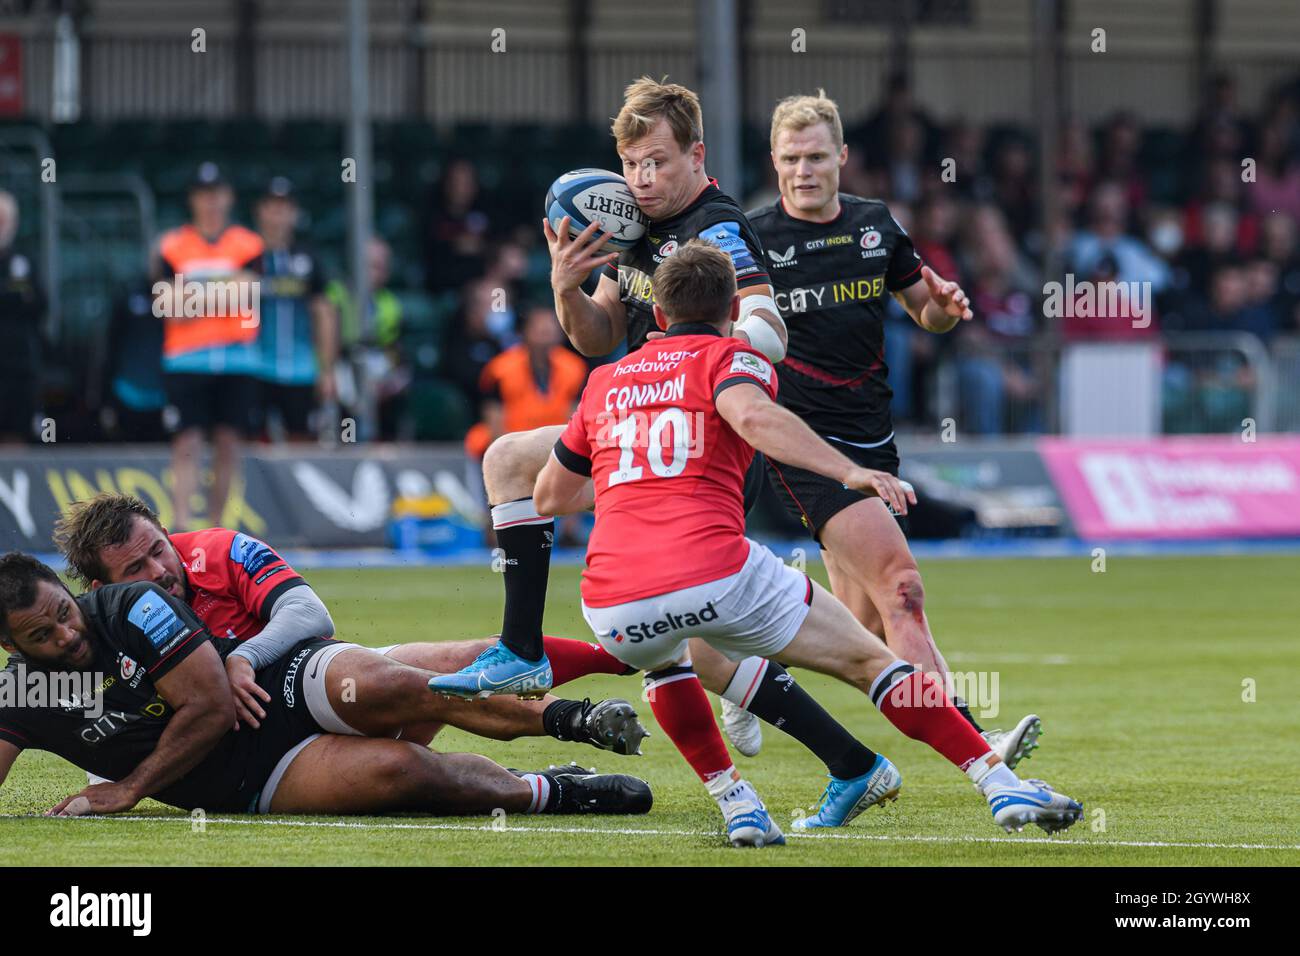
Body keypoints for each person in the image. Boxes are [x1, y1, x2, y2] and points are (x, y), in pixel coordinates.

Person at [533, 240, 1082, 845]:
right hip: (716, 573)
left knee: (665, 668)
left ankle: (739, 805)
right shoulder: (733, 357)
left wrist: (632, 474)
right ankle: (997, 782)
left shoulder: (602, 380)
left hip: (612, 602)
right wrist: (847, 470)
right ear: (730, 313)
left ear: (657, 316)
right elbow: (755, 419)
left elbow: (550, 498)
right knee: (872, 664)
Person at [721, 92, 1045, 784]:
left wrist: (945, 309)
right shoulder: (749, 239)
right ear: (773, 162)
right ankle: (972, 739)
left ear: (842, 157)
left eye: (814, 157)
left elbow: (923, 310)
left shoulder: (874, 226)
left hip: (873, 438)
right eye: (788, 160)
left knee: (864, 623)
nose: (802, 172)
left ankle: (748, 664)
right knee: (902, 588)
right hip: (803, 445)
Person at [429, 75, 788, 697]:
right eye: (630, 163)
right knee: (509, 460)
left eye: (657, 162)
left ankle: (797, 718)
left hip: (697, 444)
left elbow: (770, 330)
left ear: (696, 155)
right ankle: (521, 650)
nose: (641, 178)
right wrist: (565, 286)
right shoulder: (631, 230)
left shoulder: (716, 226)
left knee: (671, 633)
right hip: (641, 429)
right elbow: (596, 339)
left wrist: (701, 358)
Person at [0, 553, 652, 818]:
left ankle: (572, 716)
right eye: (42, 637)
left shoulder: (131, 603)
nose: (65, 636)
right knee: (405, 773)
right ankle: (552, 791)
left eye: (62, 614)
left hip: (281, 682)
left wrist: (131, 788)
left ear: (70, 590)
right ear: (12, 651)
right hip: (253, 778)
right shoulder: (19, 694)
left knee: (394, 687)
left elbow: (212, 703)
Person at [52, 493, 648, 755]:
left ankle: (636, 656)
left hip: (324, 682)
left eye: (159, 547)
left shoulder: (219, 547)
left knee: (462, 660)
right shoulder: (96, 632)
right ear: (104, 590)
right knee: (425, 745)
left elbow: (312, 613)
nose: (161, 569)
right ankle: (574, 738)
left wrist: (241, 658)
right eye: (137, 567)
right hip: (266, 752)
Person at [155, 162, 264, 529]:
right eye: (204, 195)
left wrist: (193, 296)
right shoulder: (172, 245)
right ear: (193, 200)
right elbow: (167, 306)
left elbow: (248, 293)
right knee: (187, 440)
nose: (211, 202)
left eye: (217, 194)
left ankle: (218, 526)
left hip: (237, 361)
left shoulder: (248, 244)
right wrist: (224, 291)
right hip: (187, 359)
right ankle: (182, 523)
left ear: (228, 197)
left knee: (228, 442)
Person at [252, 177, 338, 441]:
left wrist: (327, 370)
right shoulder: (246, 255)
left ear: (295, 214)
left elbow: (323, 313)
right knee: (250, 442)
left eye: (285, 207)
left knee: (302, 442)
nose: (278, 215)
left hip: (301, 369)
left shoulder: (309, 258)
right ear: (260, 210)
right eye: (272, 206)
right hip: (255, 367)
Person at [0, 190, 46, 444]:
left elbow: (38, 302)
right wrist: (13, 295)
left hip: (19, 364)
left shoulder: (24, 261)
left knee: (18, 432)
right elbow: (20, 298)